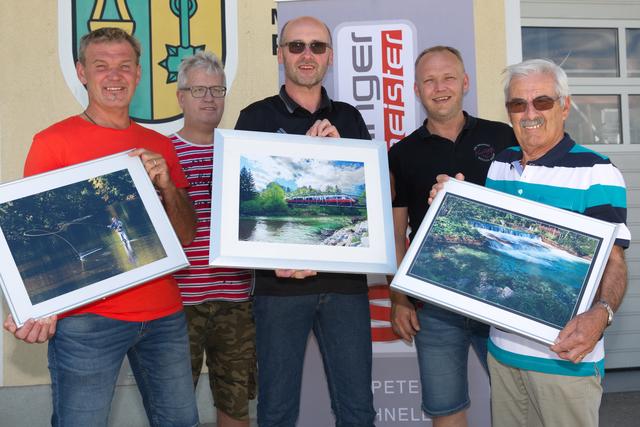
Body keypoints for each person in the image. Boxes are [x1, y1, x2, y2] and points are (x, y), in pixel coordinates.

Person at [3, 27, 199, 427]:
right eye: (101, 66)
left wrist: (166, 186)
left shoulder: (158, 144)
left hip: (164, 316)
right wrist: (34, 307)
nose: (114, 76)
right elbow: (35, 241)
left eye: (124, 66)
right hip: (87, 322)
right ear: (81, 72)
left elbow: (185, 236)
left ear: (138, 74)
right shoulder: (52, 142)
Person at [429, 58, 630, 427]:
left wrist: (600, 316)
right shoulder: (501, 165)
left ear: (565, 106)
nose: (529, 113)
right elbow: (493, 240)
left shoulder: (597, 172)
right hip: (503, 356)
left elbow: (614, 261)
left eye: (542, 102)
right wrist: (449, 201)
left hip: (564, 361)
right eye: (518, 104)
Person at [234, 16, 376, 427]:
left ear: (330, 56)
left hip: (345, 286)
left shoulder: (349, 118)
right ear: (281, 54)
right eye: (296, 46)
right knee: (276, 409)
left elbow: (365, 203)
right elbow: (239, 206)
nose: (307, 55)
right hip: (279, 289)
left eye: (317, 46)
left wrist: (340, 151)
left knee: (357, 409)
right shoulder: (255, 117)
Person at [388, 46, 516, 426]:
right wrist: (399, 297)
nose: (439, 87)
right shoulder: (402, 153)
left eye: (447, 78)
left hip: (500, 298)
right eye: (429, 80)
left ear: (465, 83)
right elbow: (397, 231)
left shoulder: (504, 137)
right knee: (445, 410)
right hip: (435, 303)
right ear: (416, 89)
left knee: (517, 405)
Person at [170, 50, 256, 427]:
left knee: (235, 405)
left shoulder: (244, 154)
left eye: (216, 89)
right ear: (181, 96)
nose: (209, 98)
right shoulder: (160, 153)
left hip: (236, 300)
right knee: (171, 404)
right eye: (198, 89)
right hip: (178, 302)